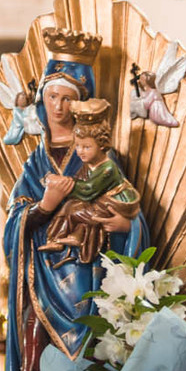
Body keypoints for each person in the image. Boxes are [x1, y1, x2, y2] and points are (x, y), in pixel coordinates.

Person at [1, 32, 148, 371]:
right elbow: (12, 228)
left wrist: (123, 225)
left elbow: (133, 219)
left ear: (82, 102)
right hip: (40, 293)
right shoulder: (35, 163)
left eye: (67, 97)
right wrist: (41, 207)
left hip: (87, 299)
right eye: (50, 96)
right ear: (40, 100)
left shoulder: (105, 162)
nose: (58, 106)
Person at [39, 98, 141, 266]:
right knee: (71, 207)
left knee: (75, 211)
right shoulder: (88, 166)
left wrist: (63, 184)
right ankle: (59, 238)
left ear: (101, 145)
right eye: (77, 146)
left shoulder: (108, 167)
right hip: (97, 207)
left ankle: (69, 237)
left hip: (113, 205)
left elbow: (87, 190)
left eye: (86, 147)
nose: (80, 152)